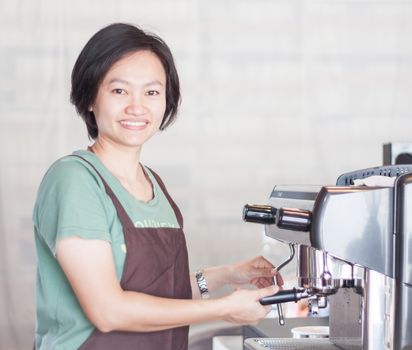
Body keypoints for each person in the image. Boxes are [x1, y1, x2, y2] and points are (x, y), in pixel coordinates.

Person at [33, 23, 282, 350]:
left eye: (151, 92)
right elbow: (109, 310)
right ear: (90, 97)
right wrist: (224, 309)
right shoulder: (75, 180)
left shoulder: (154, 184)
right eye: (119, 91)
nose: (137, 107)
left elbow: (160, 298)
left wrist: (226, 275)